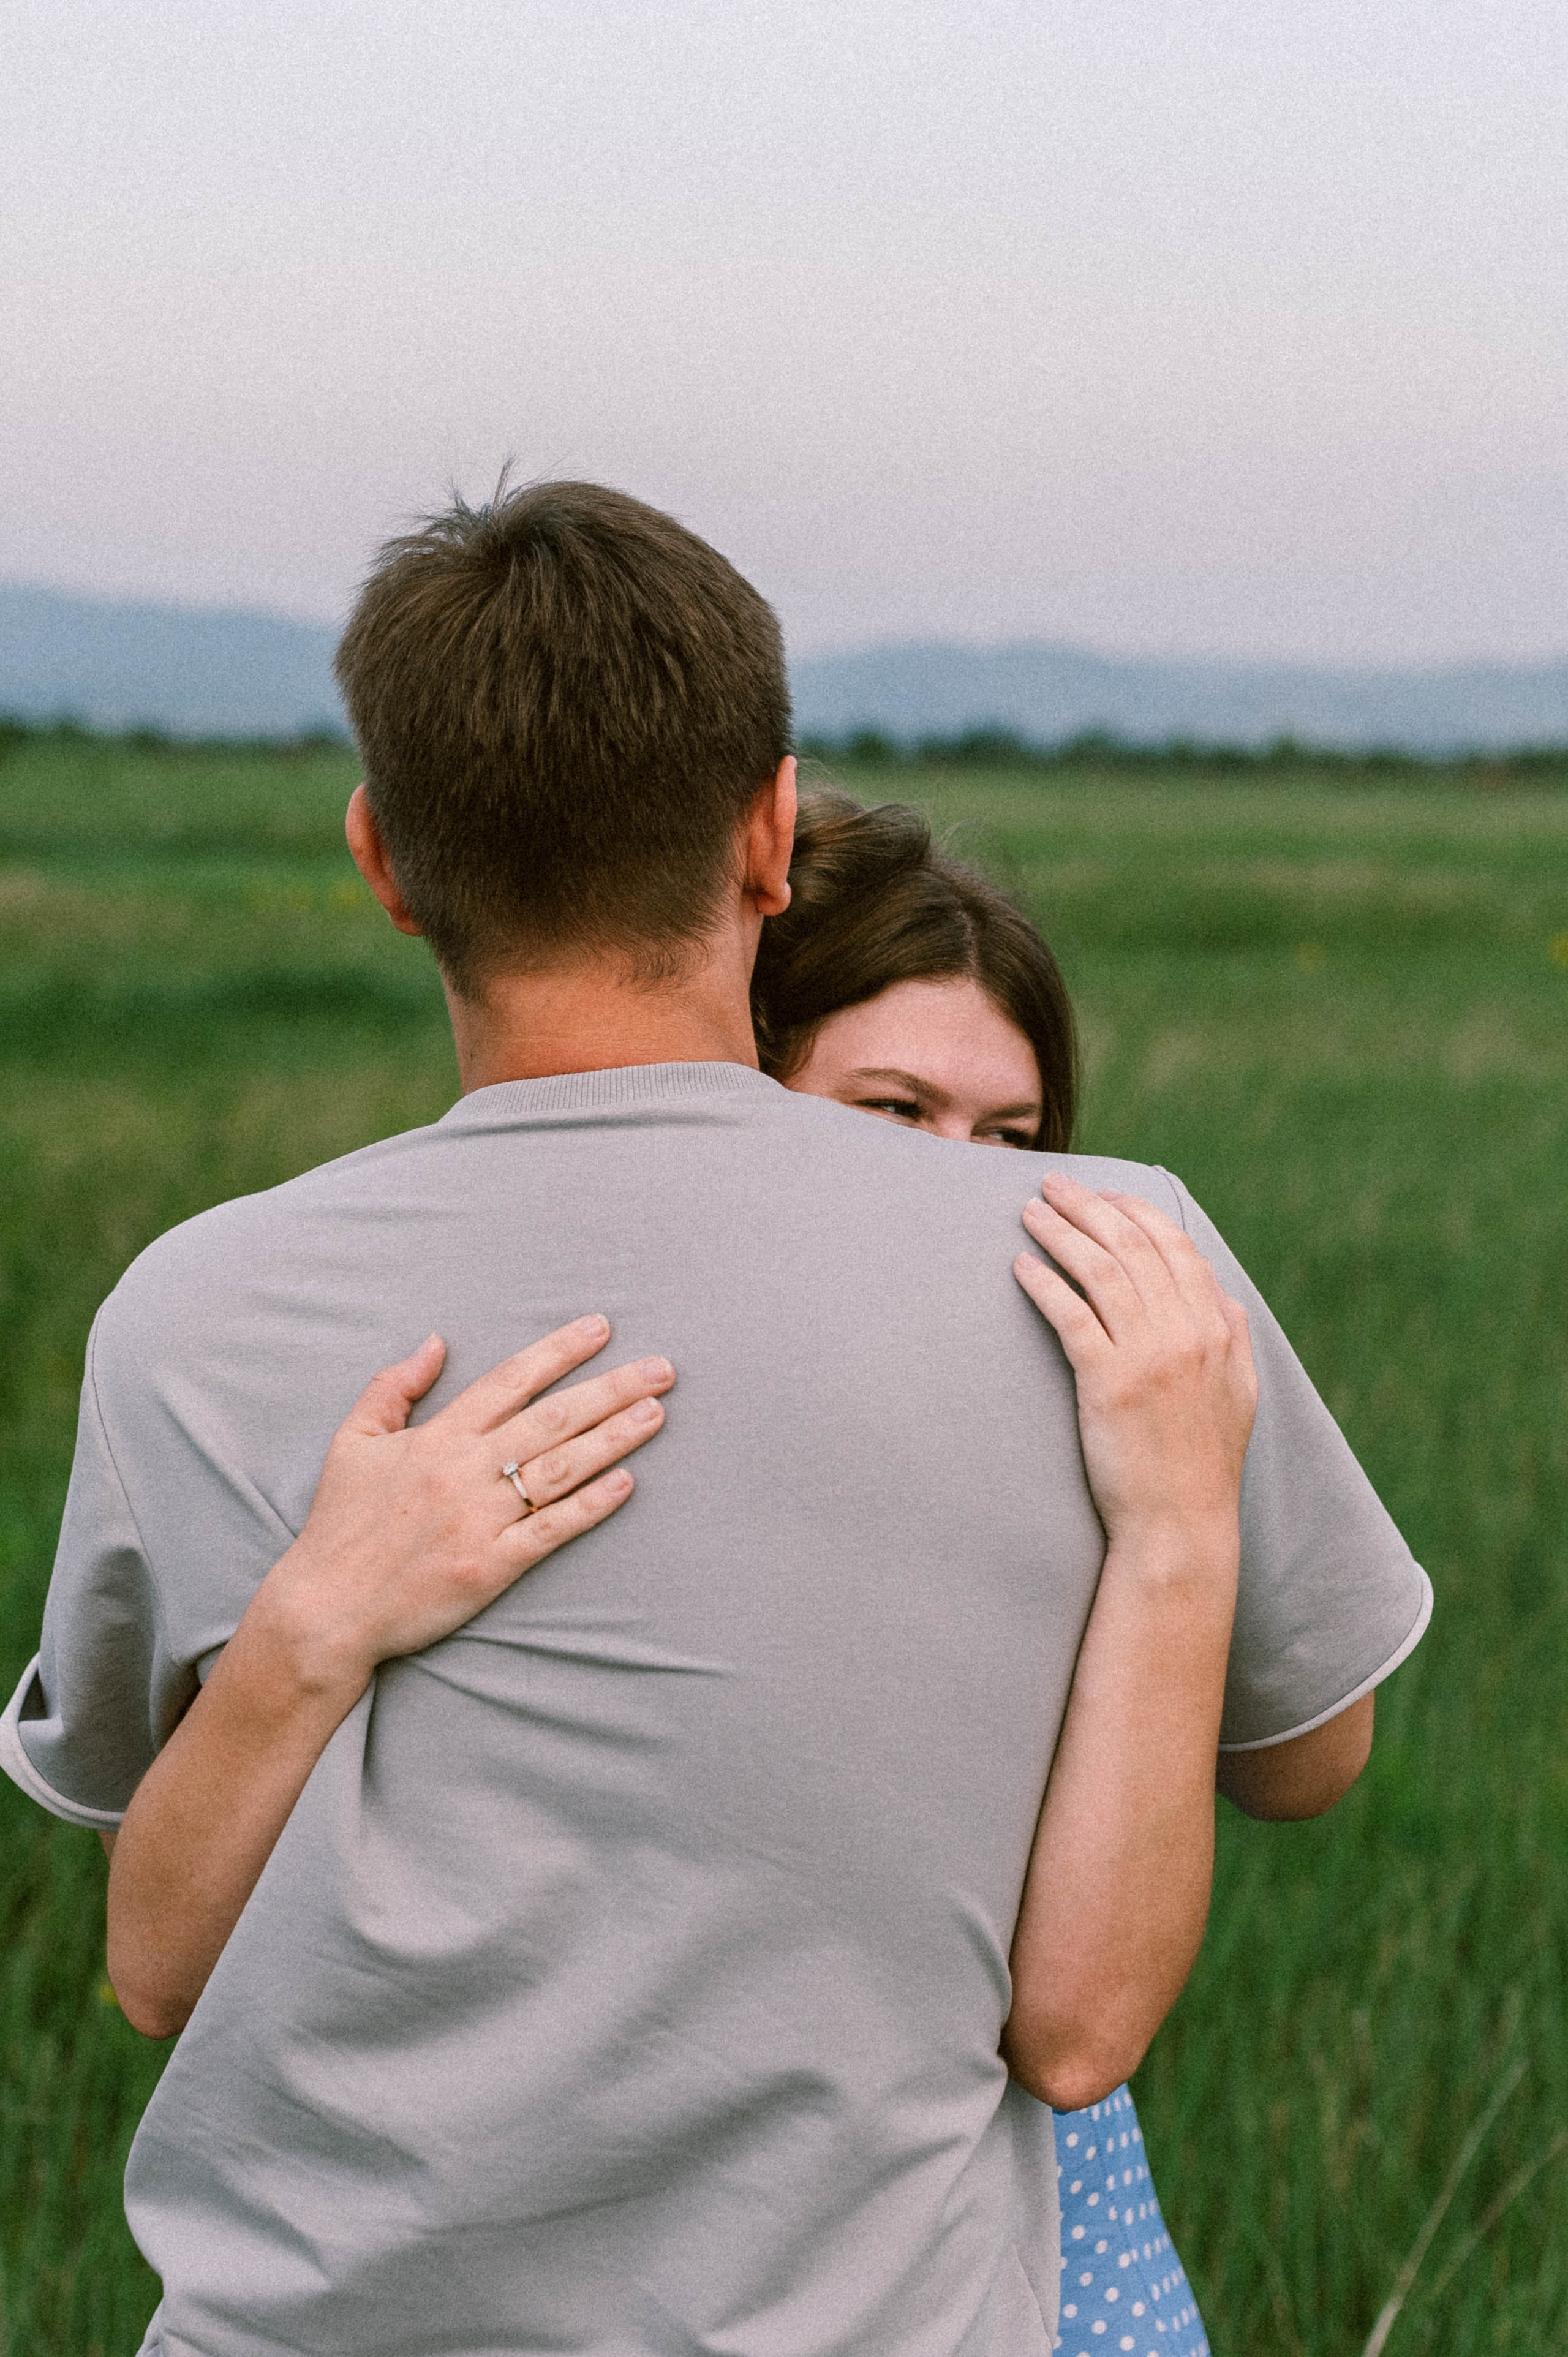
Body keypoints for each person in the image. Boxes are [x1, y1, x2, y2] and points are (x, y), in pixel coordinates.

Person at [0, 480, 1431, 2357]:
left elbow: (159, 1970)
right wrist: (1178, 1530)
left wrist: (314, 1622)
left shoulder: (192, 1313)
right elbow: (1301, 1766)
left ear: (382, 860)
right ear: (771, 833)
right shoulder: (1110, 1262)